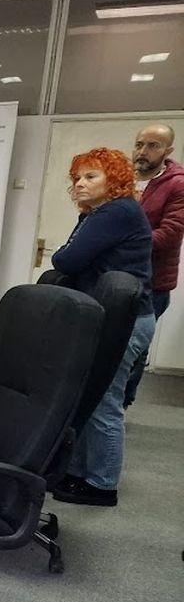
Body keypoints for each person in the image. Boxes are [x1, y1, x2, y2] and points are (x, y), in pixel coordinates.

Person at [49, 148, 154, 507]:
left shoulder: (116, 211)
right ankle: (79, 473)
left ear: (115, 180)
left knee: (105, 401)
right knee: (89, 398)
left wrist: (66, 251)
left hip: (126, 321)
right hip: (111, 317)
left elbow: (67, 259)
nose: (80, 183)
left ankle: (102, 484)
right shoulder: (99, 213)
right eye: (77, 177)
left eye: (91, 176)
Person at [123, 124, 184, 406]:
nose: (143, 151)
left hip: (152, 284)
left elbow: (170, 233)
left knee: (134, 347)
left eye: (153, 145)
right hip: (116, 277)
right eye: (139, 144)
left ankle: (123, 404)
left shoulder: (177, 184)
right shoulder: (123, 178)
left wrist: (123, 246)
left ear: (168, 150)